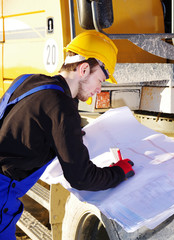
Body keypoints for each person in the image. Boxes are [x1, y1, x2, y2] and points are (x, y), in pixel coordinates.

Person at [0, 31, 135, 239]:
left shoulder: (27, 81)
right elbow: (81, 178)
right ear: (83, 69)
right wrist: (119, 172)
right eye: (100, 80)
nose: (99, 89)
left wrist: (62, 133)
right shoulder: (61, 108)